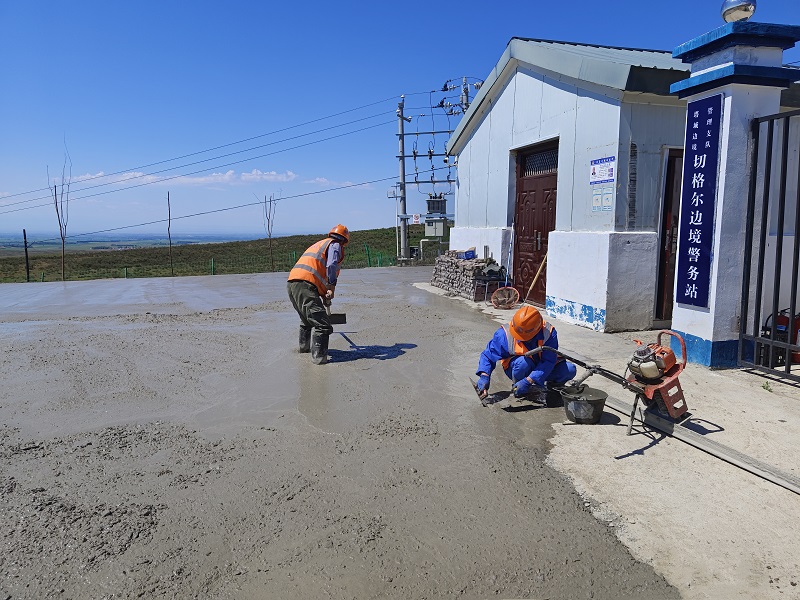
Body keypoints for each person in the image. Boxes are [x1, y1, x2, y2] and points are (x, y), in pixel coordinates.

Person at [475, 305, 576, 401]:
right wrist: (484, 375)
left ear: (536, 330)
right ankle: (518, 387)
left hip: (544, 368)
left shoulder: (548, 333)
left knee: (569, 370)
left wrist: (529, 380)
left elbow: (548, 361)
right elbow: (488, 356)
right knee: (523, 363)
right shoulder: (503, 335)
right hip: (518, 367)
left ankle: (549, 388)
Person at [287, 224, 349, 365]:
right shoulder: (335, 245)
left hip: (292, 284)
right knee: (323, 325)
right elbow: (331, 265)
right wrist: (332, 286)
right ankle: (319, 360)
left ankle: (304, 350)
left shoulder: (320, 244)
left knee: (306, 320)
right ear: (344, 241)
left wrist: (324, 295)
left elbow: (316, 273)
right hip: (305, 285)